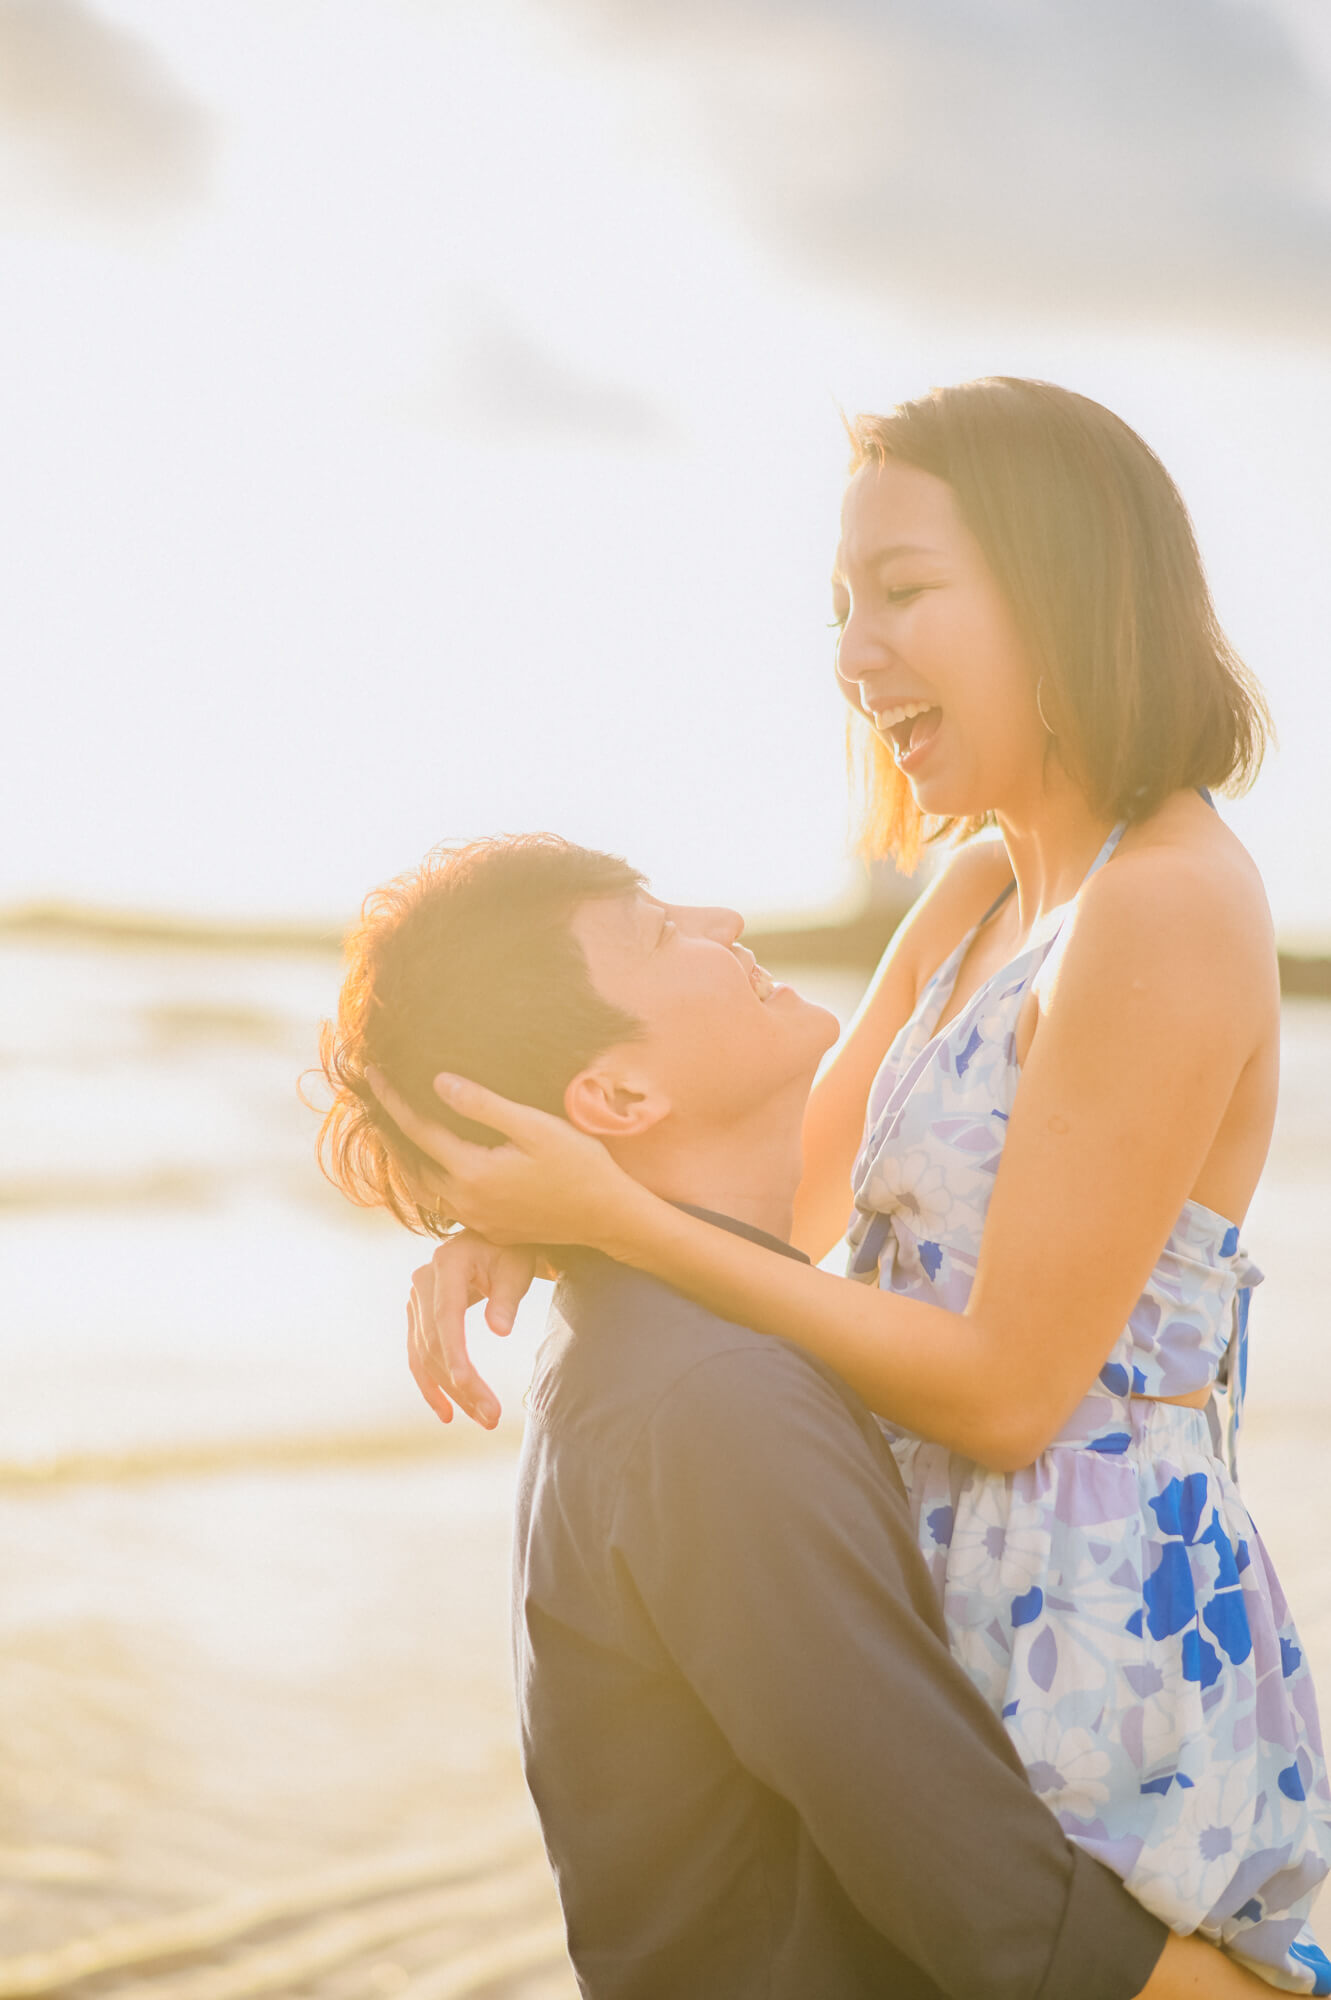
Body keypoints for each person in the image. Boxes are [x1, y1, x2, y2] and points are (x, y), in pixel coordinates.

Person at [359, 381, 1331, 1991]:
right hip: (938, 1581)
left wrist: (613, 1220)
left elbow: (1013, 1395)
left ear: (1061, 587)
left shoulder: (1161, 902)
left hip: (1091, 1632)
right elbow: (778, 1200)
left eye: (901, 593)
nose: (851, 654)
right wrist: (527, 1219)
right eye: (839, 607)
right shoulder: (970, 892)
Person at [317, 830, 1273, 1998]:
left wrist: (564, 1215)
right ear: (616, 1094)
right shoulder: (711, 1402)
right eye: (662, 931)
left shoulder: (670, 1334)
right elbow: (991, 1906)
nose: (721, 919)